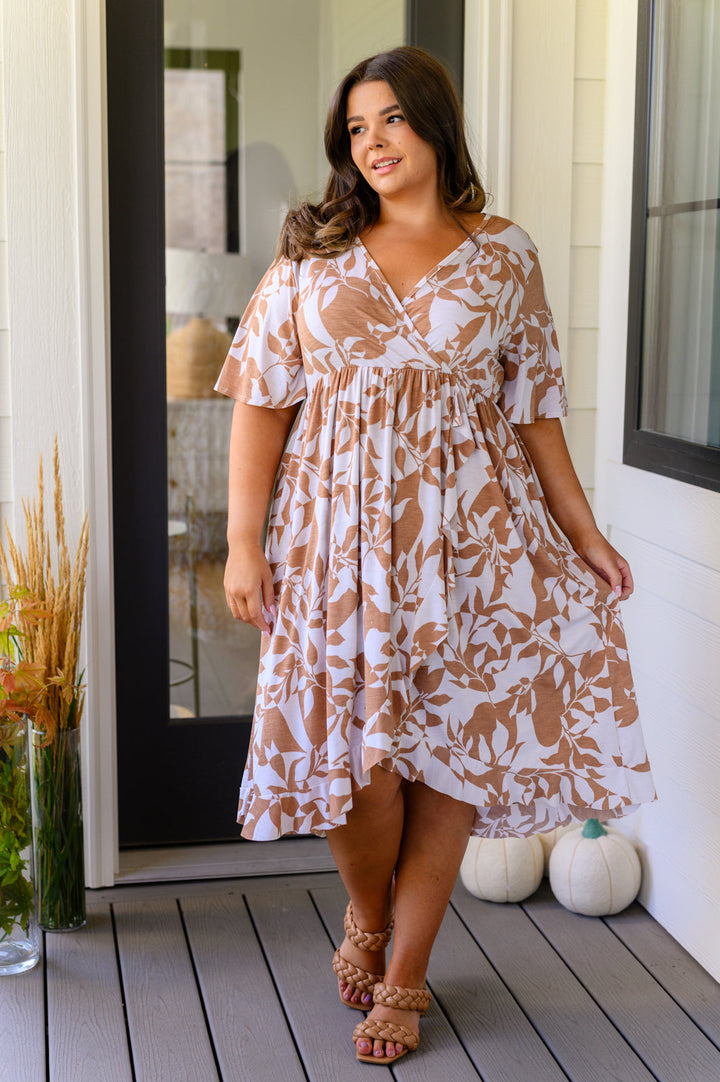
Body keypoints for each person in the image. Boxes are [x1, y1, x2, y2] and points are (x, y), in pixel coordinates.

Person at [216, 45, 655, 1066]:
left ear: (435, 124)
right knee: (355, 768)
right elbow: (259, 402)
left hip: (473, 546)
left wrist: (584, 532)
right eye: (356, 128)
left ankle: (404, 971)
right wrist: (243, 544)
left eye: (391, 120)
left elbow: (534, 411)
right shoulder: (313, 254)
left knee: (449, 758)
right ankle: (369, 917)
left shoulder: (504, 255)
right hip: (331, 545)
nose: (372, 143)